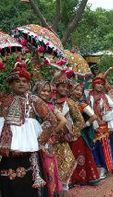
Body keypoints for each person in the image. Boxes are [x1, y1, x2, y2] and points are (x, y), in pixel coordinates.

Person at [0, 63, 57, 197]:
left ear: (29, 84)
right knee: (7, 185)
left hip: (28, 153)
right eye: (17, 81)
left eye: (24, 81)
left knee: (27, 187)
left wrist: (40, 140)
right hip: (7, 152)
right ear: (10, 84)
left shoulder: (33, 100)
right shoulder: (4, 100)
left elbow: (52, 120)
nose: (21, 84)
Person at [33, 80, 75, 196]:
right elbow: (63, 121)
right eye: (43, 90)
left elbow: (64, 121)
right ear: (36, 91)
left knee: (46, 168)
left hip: (44, 143)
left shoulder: (48, 106)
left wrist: (51, 133)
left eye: (48, 91)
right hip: (36, 143)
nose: (46, 93)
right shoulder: (44, 106)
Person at [69, 82, 100, 186]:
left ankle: (81, 178)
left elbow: (94, 116)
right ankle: (71, 179)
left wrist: (84, 125)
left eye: (80, 91)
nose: (78, 92)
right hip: (68, 133)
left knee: (79, 155)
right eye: (76, 90)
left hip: (79, 134)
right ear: (71, 90)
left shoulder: (82, 104)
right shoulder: (66, 102)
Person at [88, 77, 113, 178]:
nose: (100, 85)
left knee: (103, 146)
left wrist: (105, 118)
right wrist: (93, 121)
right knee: (94, 147)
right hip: (92, 125)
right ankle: (97, 167)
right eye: (97, 83)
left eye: (101, 84)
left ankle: (104, 168)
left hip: (103, 125)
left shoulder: (105, 96)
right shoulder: (88, 96)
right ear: (93, 84)